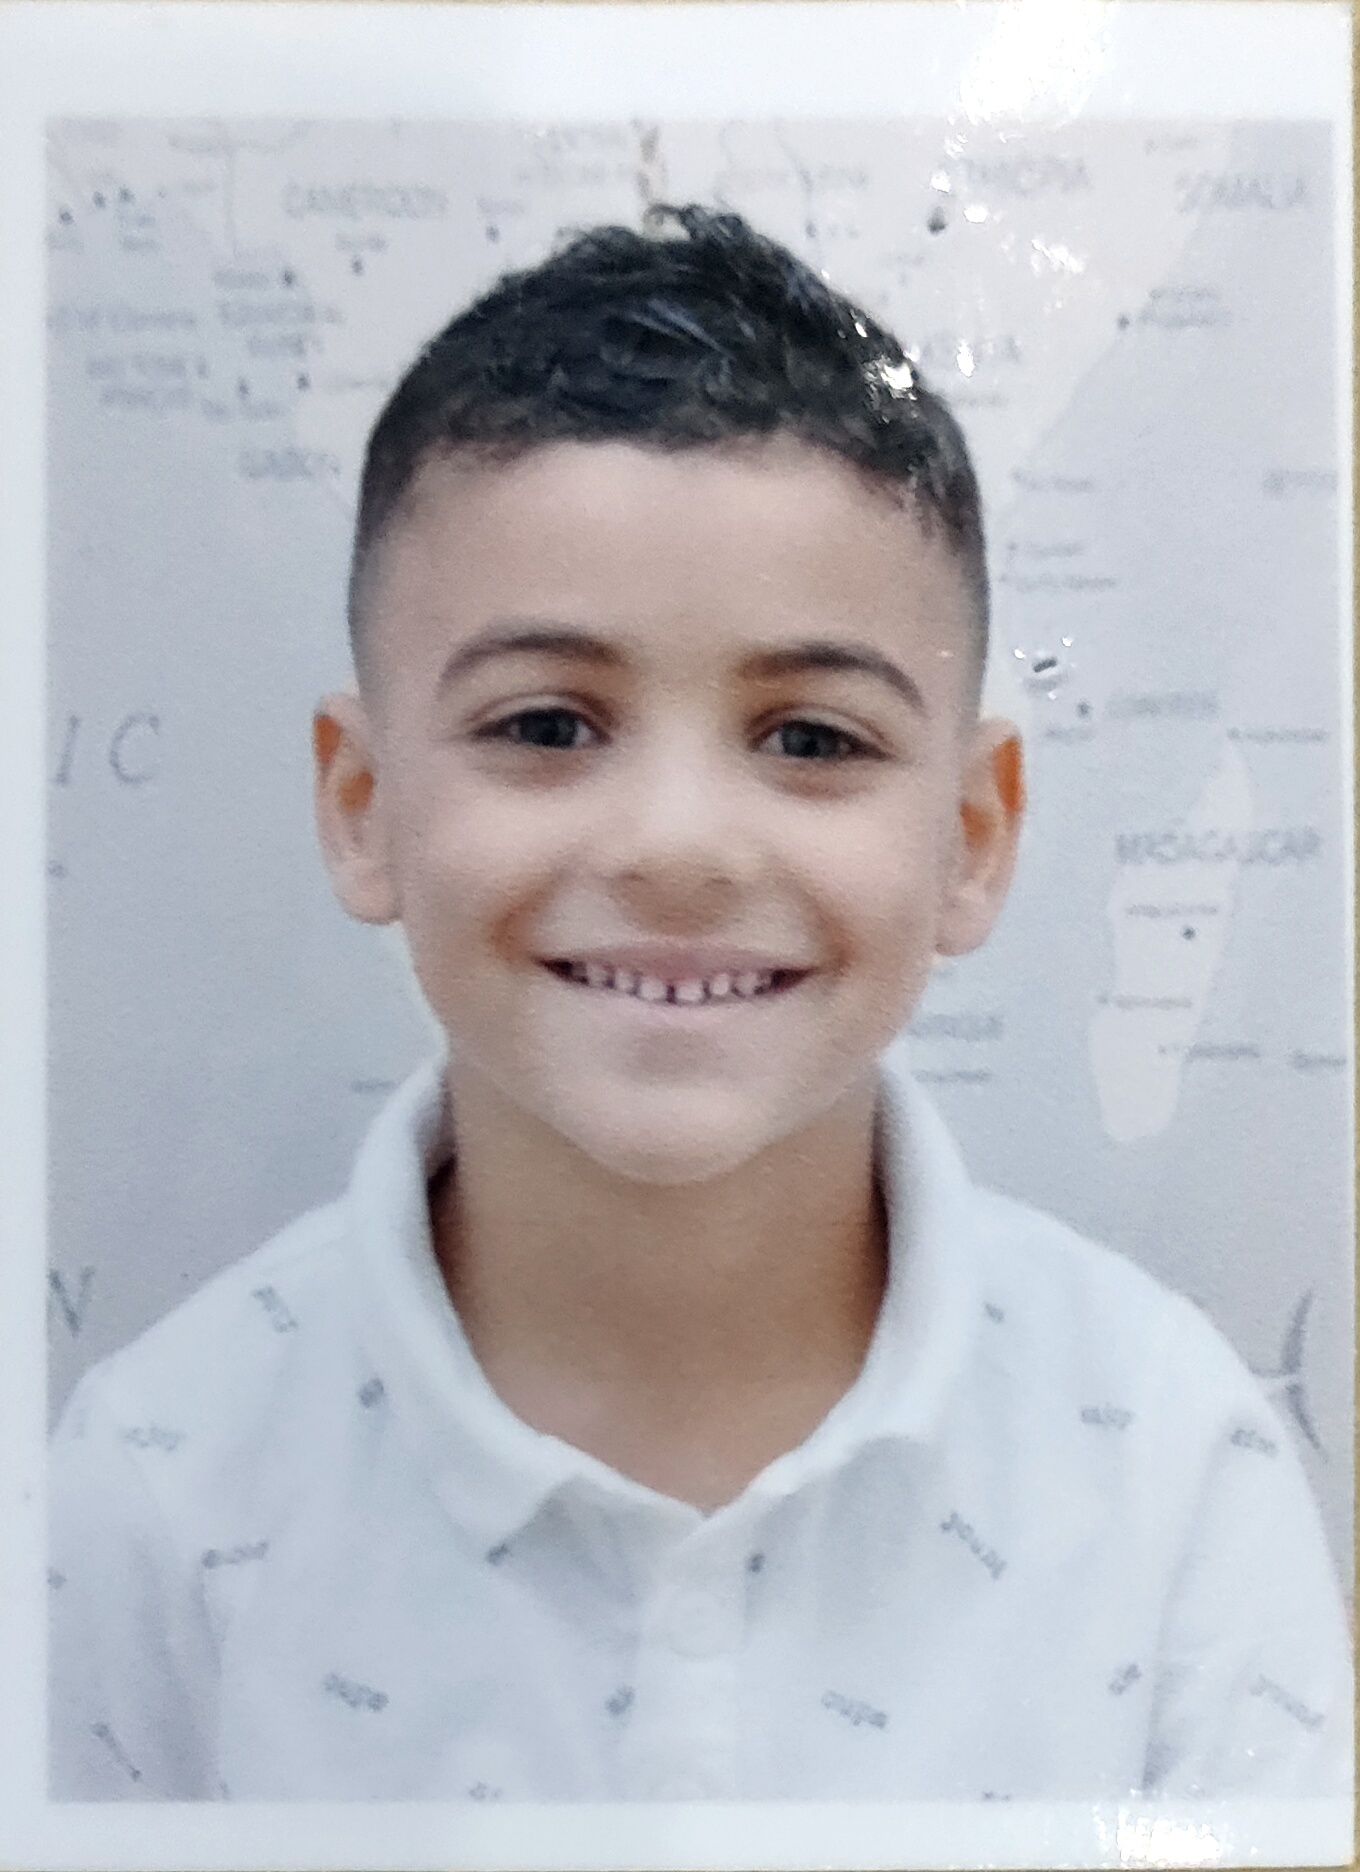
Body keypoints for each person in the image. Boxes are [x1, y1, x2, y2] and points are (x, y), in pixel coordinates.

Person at [49, 205, 1350, 1804]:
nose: (677, 847)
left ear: (974, 837)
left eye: (811, 740)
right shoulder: (153, 1491)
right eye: (546, 725)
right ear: (363, 806)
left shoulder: (1168, 1462)